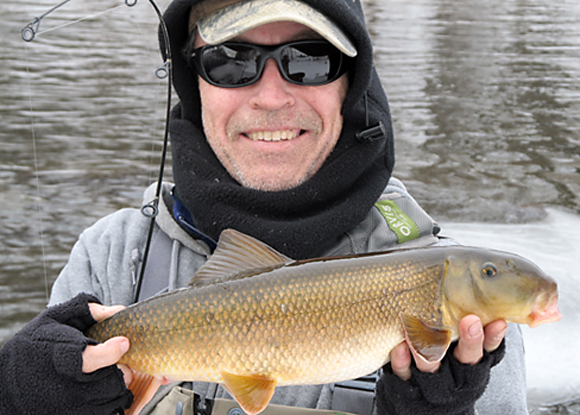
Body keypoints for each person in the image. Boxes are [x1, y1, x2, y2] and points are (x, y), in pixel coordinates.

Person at [0, 0, 529, 414]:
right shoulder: (111, 259)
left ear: (351, 81)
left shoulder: (465, 307)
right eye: (230, 62)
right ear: (194, 83)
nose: (272, 97)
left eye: (309, 59)